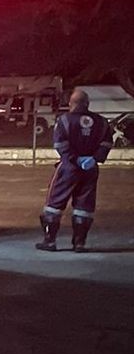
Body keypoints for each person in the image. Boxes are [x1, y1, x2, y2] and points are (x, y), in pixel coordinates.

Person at [37, 89, 113, 252]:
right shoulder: (101, 122)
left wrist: (74, 159)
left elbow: (60, 144)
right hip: (90, 168)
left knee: (54, 203)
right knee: (84, 206)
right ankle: (79, 243)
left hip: (68, 168)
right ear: (87, 104)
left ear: (71, 104)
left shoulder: (64, 120)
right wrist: (94, 158)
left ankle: (50, 241)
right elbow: (107, 143)